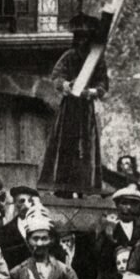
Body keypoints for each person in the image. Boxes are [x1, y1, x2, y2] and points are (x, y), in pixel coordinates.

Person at [39, 14, 109, 193]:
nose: (83, 41)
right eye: (80, 37)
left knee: (86, 146)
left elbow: (103, 84)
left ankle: (86, 186)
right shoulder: (69, 56)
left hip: (86, 108)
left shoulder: (97, 59)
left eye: (86, 37)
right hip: (69, 108)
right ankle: (63, 186)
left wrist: (90, 92)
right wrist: (67, 85)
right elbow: (56, 76)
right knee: (65, 144)